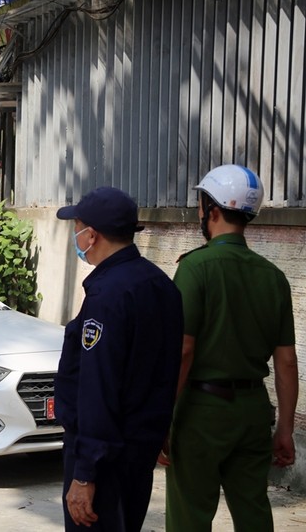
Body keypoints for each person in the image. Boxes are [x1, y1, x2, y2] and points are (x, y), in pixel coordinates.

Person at [164, 164, 298, 531]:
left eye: (200, 203)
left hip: (200, 413)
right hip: (254, 412)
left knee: (189, 516)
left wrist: (163, 417)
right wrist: (284, 429)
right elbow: (286, 362)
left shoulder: (196, 269)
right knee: (254, 512)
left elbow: (183, 352)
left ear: (214, 210)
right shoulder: (274, 277)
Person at [54, 186, 183, 531]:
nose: (76, 236)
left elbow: (98, 387)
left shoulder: (108, 296)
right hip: (139, 449)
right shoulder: (160, 285)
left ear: (91, 235)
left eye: (77, 227)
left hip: (106, 457)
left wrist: (85, 473)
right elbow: (166, 372)